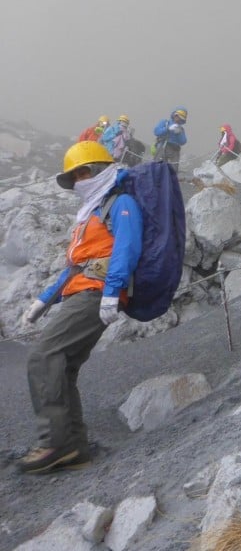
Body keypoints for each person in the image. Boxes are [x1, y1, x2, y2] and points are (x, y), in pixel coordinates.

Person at [16, 142, 142, 474]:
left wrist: (113, 292)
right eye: (73, 176)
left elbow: (126, 249)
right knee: (63, 365)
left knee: (44, 357)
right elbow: (76, 266)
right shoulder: (91, 211)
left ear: (99, 170)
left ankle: (55, 443)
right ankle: (73, 449)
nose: (77, 181)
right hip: (82, 291)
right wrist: (43, 301)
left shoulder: (120, 203)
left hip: (97, 292)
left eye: (81, 173)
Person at [153, 107, 188, 173]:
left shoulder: (181, 129)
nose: (179, 120)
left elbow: (183, 141)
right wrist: (168, 129)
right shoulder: (165, 122)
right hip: (162, 148)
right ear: (174, 115)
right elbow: (156, 132)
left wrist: (178, 134)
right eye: (178, 117)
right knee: (157, 169)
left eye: (181, 119)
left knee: (173, 171)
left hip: (174, 151)